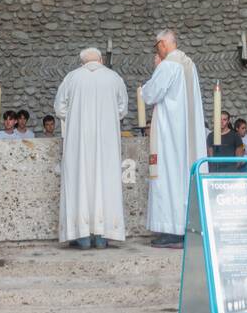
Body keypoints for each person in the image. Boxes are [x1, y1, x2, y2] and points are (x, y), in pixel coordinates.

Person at [54, 47, 128, 249]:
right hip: (107, 142)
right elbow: (122, 109)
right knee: (106, 183)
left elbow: (59, 108)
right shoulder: (114, 78)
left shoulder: (72, 77)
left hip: (79, 141)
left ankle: (82, 236)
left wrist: (76, 115)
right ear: (101, 60)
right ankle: (103, 236)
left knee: (79, 182)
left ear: (82, 62)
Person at [141, 29, 206, 248]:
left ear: (162, 44)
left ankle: (172, 230)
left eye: (157, 46)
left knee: (168, 178)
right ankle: (185, 227)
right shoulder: (189, 64)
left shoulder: (168, 65)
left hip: (170, 134)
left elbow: (150, 94)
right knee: (182, 180)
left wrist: (156, 69)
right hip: (187, 134)